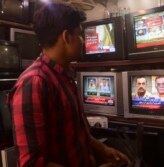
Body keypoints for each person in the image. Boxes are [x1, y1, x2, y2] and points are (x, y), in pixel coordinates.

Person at [7, 2, 131, 167]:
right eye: (80, 35)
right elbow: (32, 163)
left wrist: (103, 149)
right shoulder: (34, 83)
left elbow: (75, 132)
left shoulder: (64, 75)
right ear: (66, 37)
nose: (83, 41)